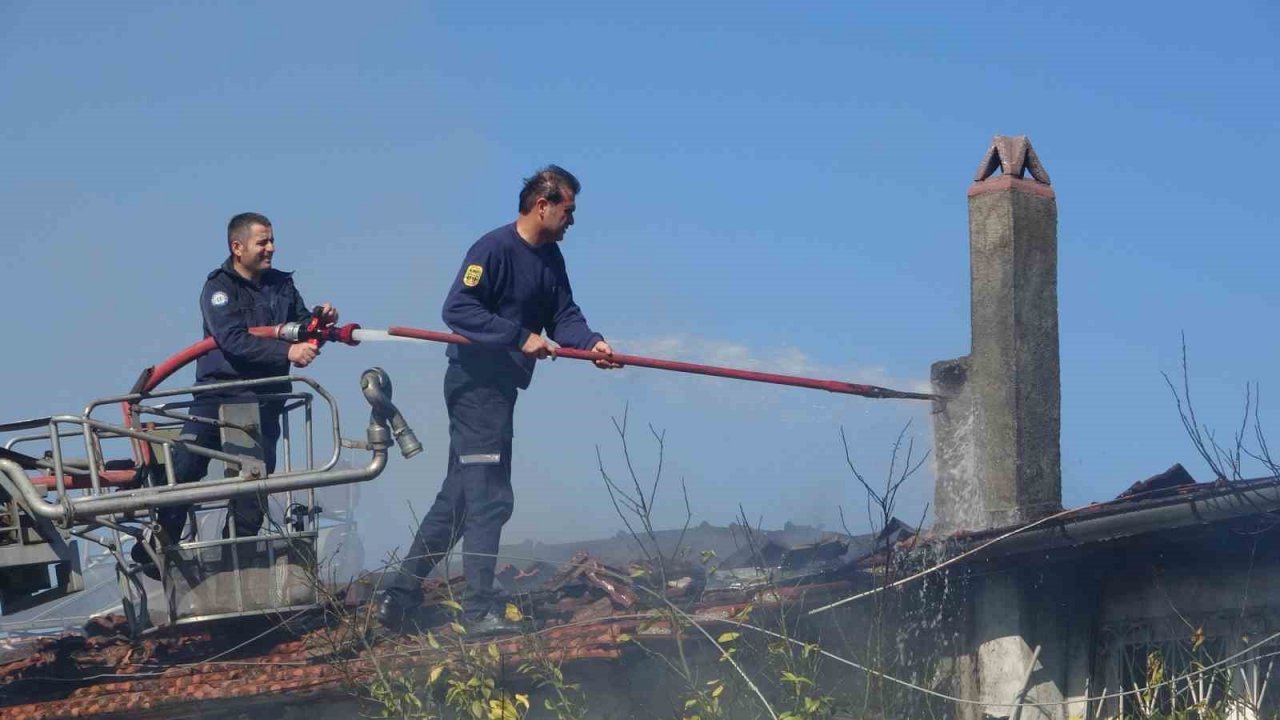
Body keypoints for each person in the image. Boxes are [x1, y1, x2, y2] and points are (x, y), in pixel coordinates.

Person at [379, 165, 618, 633]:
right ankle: (479, 611)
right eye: (568, 210)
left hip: (500, 390)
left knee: (460, 500)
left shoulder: (550, 259)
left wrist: (591, 344)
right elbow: (458, 309)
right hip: (475, 386)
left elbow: (563, 314)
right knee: (490, 498)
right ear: (542, 204)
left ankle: (399, 595)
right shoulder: (492, 248)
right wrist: (517, 336)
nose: (572, 220)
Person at [132, 212, 338, 575]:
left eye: (272, 240)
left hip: (265, 398)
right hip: (219, 395)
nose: (271, 248)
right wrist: (287, 352)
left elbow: (300, 322)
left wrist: (317, 322)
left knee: (254, 483)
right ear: (237, 247)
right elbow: (234, 340)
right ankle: (156, 548)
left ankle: (237, 560)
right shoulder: (219, 289)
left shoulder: (282, 284)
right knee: (186, 466)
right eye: (263, 242)